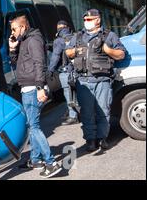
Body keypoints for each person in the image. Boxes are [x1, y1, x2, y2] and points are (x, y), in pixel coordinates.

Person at [9, 15, 62, 178]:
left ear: (23, 27)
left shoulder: (33, 40)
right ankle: (35, 159)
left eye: (14, 29)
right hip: (27, 88)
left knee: (34, 126)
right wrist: (12, 49)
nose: (12, 32)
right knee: (32, 125)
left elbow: (40, 63)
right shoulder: (24, 41)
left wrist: (40, 87)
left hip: (33, 88)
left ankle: (51, 162)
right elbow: (17, 63)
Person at [65, 9, 126, 152]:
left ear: (98, 20)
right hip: (83, 80)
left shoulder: (109, 36)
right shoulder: (78, 36)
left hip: (102, 80)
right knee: (86, 112)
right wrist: (75, 51)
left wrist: (108, 51)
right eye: (85, 19)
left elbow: (121, 54)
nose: (86, 22)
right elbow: (67, 52)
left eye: (89, 19)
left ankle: (102, 138)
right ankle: (91, 140)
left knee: (103, 110)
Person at [48, 20, 78, 125]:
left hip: (65, 71)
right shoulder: (75, 37)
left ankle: (73, 116)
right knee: (77, 93)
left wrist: (50, 70)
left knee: (67, 93)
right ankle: (77, 112)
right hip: (77, 70)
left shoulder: (59, 40)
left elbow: (55, 57)